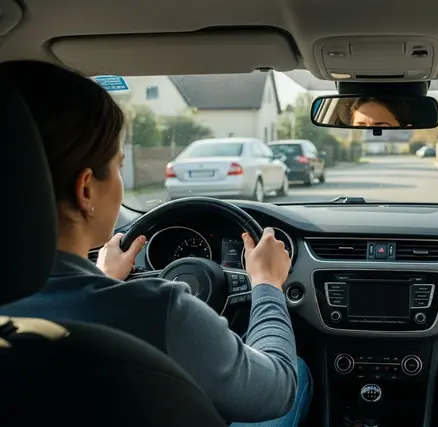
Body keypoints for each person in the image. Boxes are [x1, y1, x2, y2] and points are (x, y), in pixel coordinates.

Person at [0, 60, 312, 427]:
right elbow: (275, 390)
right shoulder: (159, 311)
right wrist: (267, 285)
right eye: (117, 166)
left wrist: (103, 281)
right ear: (86, 189)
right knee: (298, 371)